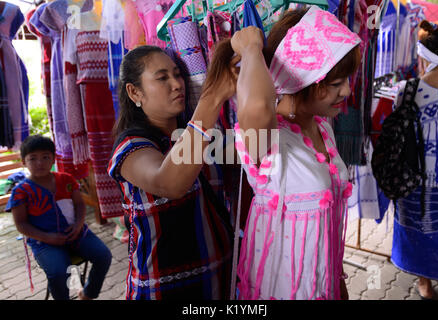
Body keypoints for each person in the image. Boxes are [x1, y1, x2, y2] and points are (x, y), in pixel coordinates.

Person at [209, 6, 361, 300]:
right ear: (303, 77)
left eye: (346, 80)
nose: (347, 91)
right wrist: (252, 50)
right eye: (335, 83)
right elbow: (256, 106)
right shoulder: (269, 141)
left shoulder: (323, 129)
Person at [108, 45, 237, 300]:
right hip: (163, 291)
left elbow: (253, 156)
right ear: (135, 92)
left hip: (219, 282)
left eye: (178, 75)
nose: (177, 84)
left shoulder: (203, 137)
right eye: (162, 77)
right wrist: (211, 99)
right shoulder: (130, 147)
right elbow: (169, 182)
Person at [6, 135, 112, 300]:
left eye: (45, 157)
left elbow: (79, 205)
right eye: (33, 158)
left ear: (54, 159)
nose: (40, 163)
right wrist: (48, 237)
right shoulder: (21, 191)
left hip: (75, 232)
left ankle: (88, 293)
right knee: (58, 273)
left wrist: (78, 225)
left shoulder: (66, 180)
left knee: (104, 256)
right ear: (23, 162)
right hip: (43, 241)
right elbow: (21, 224)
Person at [391, 21, 438, 300]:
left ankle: (424, 283)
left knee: (419, 228)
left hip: (413, 176)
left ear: (426, 59)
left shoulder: (405, 89)